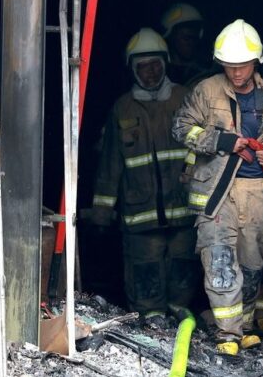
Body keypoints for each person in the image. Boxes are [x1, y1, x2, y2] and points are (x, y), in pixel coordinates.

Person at [172, 19, 263, 356]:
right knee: (219, 258)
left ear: (256, 62)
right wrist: (221, 141)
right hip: (218, 192)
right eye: (229, 65)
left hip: (259, 193)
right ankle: (227, 332)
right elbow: (181, 127)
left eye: (242, 65)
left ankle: (243, 325)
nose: (235, 72)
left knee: (251, 264)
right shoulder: (206, 91)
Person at [89, 28, 198, 327]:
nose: (150, 73)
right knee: (144, 268)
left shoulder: (185, 99)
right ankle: (151, 320)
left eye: (155, 65)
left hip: (184, 208)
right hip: (140, 213)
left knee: (183, 266)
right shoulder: (122, 108)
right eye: (143, 67)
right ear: (133, 70)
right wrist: (101, 213)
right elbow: (110, 163)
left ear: (165, 64)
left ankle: (180, 316)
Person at [160, 2, 210, 86]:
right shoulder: (158, 74)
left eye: (194, 38)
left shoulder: (205, 71)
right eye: (186, 38)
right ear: (170, 37)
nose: (191, 43)